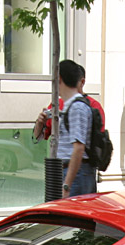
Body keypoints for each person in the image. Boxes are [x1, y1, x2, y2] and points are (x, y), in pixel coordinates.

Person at [32, 60, 98, 197]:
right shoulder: (66, 105)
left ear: (59, 79)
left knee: (72, 217)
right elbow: (38, 137)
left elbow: (79, 148)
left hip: (76, 175)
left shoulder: (77, 107)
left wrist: (66, 186)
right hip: (72, 173)